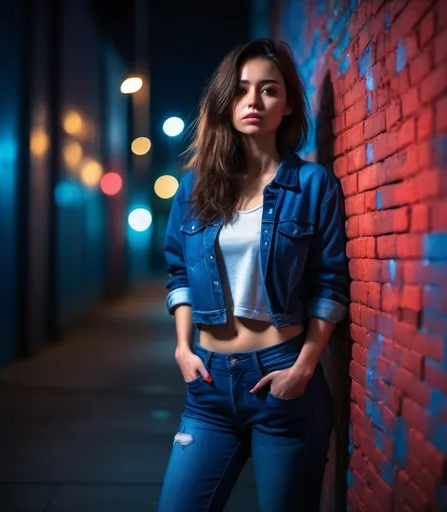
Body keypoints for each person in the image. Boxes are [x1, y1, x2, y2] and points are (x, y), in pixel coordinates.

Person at [158, 37, 350, 512]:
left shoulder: (312, 185)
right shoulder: (196, 186)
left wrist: (304, 367)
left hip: (283, 383)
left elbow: (330, 283)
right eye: (242, 89)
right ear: (226, 101)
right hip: (207, 389)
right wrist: (183, 348)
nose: (253, 101)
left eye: (269, 90)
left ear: (287, 106)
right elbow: (179, 270)